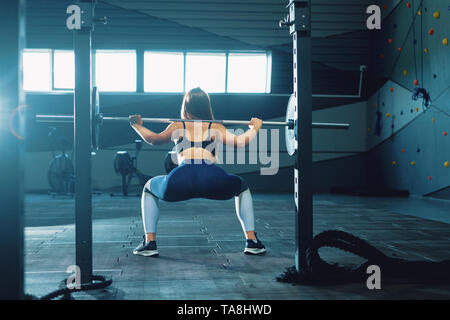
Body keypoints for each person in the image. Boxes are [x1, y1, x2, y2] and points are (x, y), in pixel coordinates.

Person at [129, 87, 266, 257]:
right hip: (213, 178)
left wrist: (137, 126)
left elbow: (153, 139)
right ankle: (252, 241)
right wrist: (255, 128)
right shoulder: (215, 126)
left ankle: (150, 242)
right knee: (241, 185)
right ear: (206, 106)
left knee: (149, 188)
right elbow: (240, 142)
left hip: (181, 179)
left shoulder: (178, 125)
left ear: (185, 106)